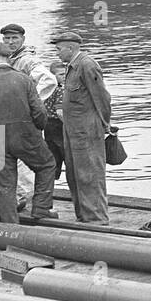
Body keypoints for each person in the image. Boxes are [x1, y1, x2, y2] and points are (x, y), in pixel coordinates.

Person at [0, 43, 57, 222]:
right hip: (24, 134)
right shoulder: (24, 79)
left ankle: (10, 226)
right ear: (8, 59)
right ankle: (41, 209)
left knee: (3, 184)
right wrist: (37, 128)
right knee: (46, 165)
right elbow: (39, 112)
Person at [54, 31, 112, 225]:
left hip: (87, 131)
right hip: (73, 132)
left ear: (71, 48)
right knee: (75, 174)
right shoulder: (71, 67)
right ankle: (84, 216)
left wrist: (105, 124)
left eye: (59, 49)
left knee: (90, 174)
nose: (57, 54)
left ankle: (97, 219)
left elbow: (102, 97)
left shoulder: (87, 65)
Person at [42, 60, 68, 181]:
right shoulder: (61, 90)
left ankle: (49, 185)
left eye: (66, 74)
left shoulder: (46, 90)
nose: (65, 77)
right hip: (58, 125)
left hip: (47, 125)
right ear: (53, 76)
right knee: (66, 155)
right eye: (61, 74)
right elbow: (60, 112)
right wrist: (70, 126)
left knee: (53, 158)